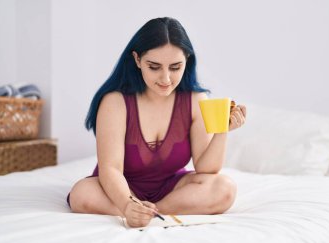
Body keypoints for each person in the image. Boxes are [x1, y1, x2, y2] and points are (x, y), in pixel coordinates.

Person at [67, 17, 247, 228]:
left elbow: (206, 169)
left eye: (175, 67)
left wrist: (222, 131)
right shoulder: (115, 102)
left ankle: (152, 211)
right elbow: (111, 169)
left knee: (225, 188)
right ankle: (139, 211)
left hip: (171, 189)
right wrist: (127, 204)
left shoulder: (195, 100)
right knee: (82, 194)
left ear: (187, 61)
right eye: (154, 67)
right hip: (119, 188)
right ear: (137, 60)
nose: (166, 78)